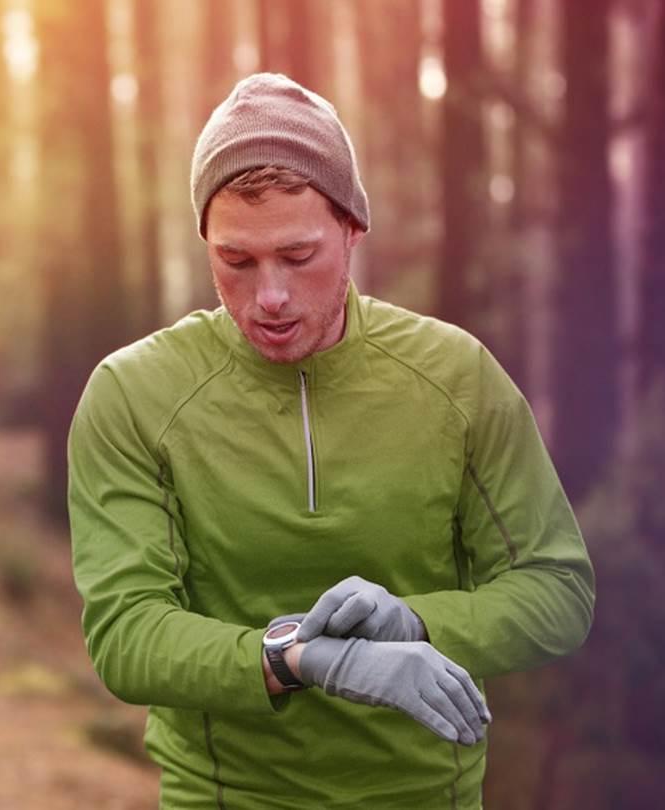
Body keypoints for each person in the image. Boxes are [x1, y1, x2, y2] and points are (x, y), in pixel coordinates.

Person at [66, 72, 596, 808]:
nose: (270, 296)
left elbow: (559, 591)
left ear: (352, 229)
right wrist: (299, 660)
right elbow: (126, 634)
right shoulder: (134, 394)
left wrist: (417, 622)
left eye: (299, 255)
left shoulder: (457, 377)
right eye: (236, 261)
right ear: (205, 244)